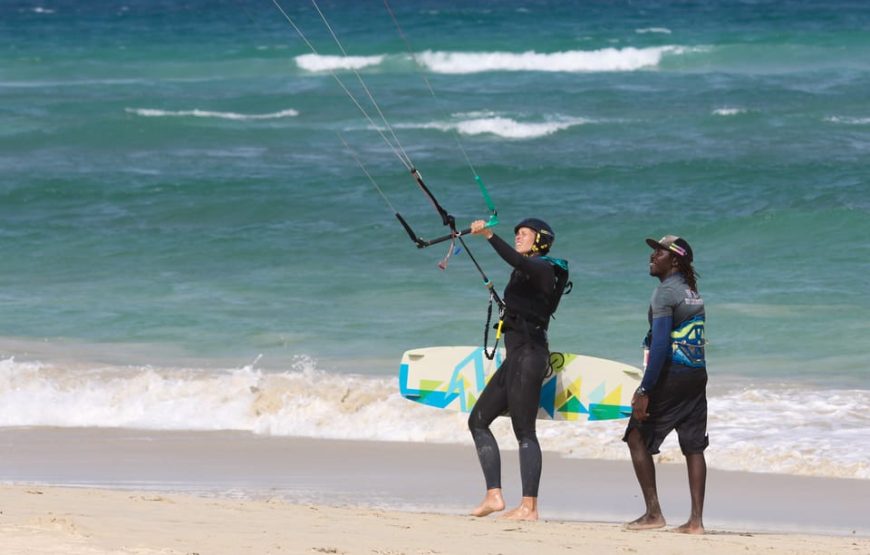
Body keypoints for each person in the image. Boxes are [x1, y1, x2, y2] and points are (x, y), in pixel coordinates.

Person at [467, 217, 567, 521]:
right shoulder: (527, 271)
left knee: (524, 431)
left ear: (540, 240)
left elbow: (516, 260)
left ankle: (529, 507)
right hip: (516, 357)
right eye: (516, 234)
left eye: (524, 234)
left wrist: (488, 235)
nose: (518, 238)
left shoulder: (544, 268)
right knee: (478, 421)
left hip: (531, 355)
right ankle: (493, 495)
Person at [623, 234, 708, 534]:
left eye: (659, 253)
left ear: (674, 260)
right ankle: (696, 521)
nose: (652, 256)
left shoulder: (664, 294)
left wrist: (645, 389)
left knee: (636, 436)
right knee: (694, 446)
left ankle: (653, 513)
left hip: (672, 375)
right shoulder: (691, 293)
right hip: (697, 375)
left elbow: (660, 347)